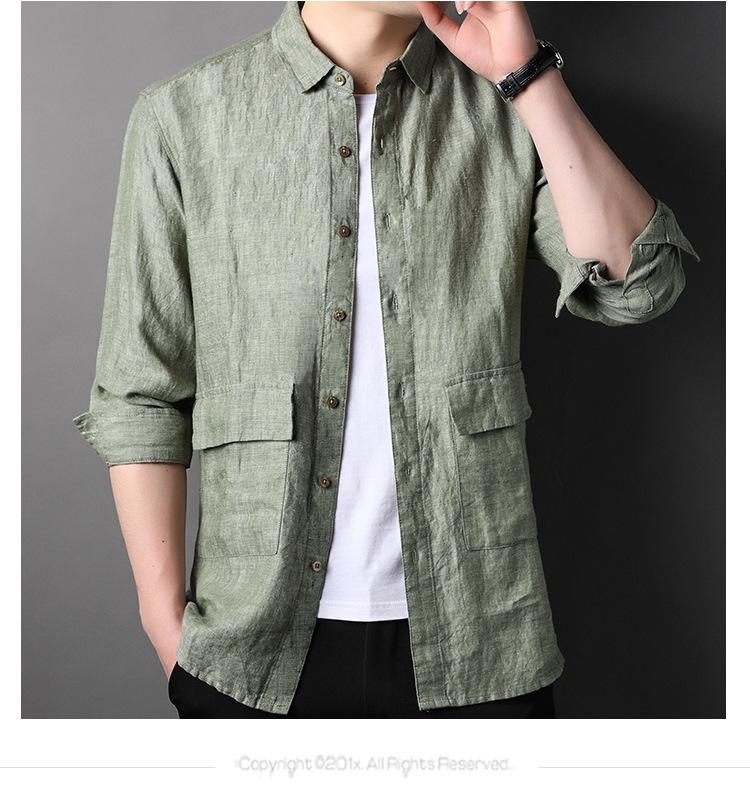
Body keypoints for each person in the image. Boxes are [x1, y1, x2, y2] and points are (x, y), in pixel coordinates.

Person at [73, 0, 700, 718]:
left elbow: (639, 288)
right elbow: (142, 393)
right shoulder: (185, 115)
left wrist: (527, 78)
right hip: (253, 650)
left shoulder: (503, 106)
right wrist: (166, 626)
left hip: (480, 641)